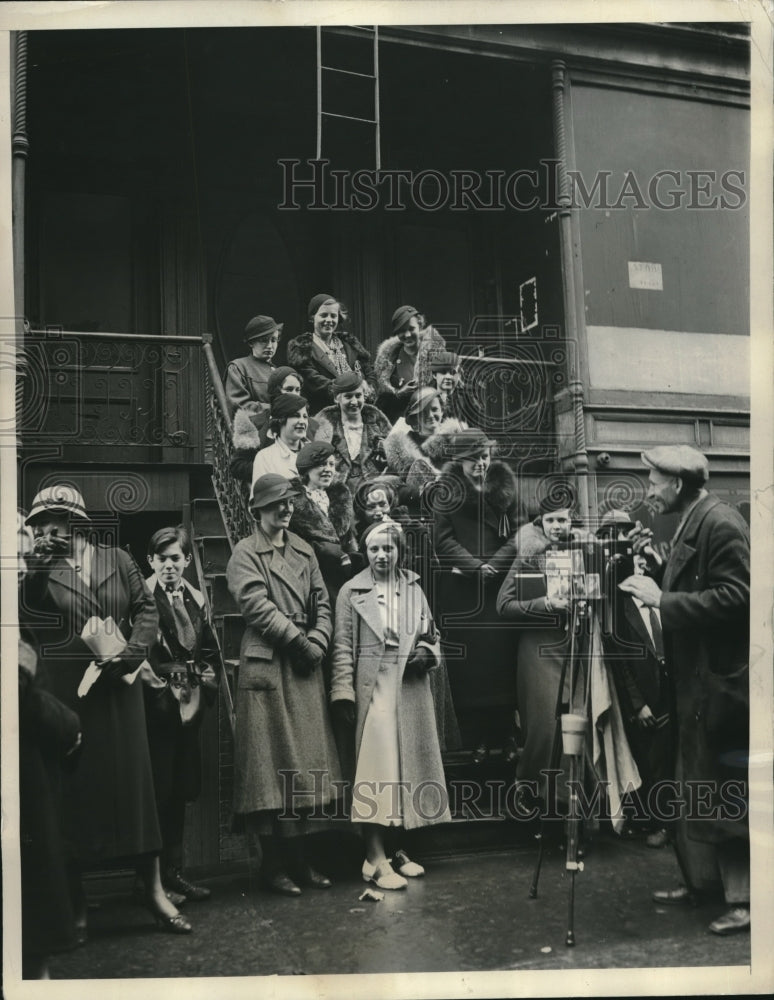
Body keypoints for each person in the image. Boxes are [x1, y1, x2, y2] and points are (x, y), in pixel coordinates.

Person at [20, 485, 190, 936]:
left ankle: (152, 890)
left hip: (122, 686)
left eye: (57, 517)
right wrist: (34, 568)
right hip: (73, 691)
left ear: (77, 520)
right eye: (42, 521)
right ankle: (76, 902)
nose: (49, 527)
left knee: (136, 788)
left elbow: (145, 610)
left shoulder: (118, 558)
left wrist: (132, 654)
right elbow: (31, 617)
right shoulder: (42, 569)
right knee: (76, 795)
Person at [618, 445, 750, 936]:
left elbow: (740, 596)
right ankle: (704, 886)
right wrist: (656, 567)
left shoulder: (719, 523)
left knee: (724, 790)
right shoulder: (697, 517)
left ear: (677, 483)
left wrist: (663, 599)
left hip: (720, 686)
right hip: (697, 685)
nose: (649, 491)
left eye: (653, 482)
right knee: (692, 785)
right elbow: (701, 582)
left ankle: (746, 900)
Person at [226, 474, 342, 896]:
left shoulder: (304, 549)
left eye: (290, 502)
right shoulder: (245, 552)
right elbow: (255, 604)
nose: (286, 509)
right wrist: (297, 641)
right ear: (258, 509)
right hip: (269, 664)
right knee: (270, 771)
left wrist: (319, 640)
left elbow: (322, 603)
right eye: (277, 503)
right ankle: (272, 866)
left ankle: (301, 861)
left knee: (306, 767)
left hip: (303, 665)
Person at [330, 519, 451, 890]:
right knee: (375, 770)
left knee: (404, 768)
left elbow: (432, 633)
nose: (382, 555)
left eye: (389, 548)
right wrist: (343, 694)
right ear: (365, 553)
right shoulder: (351, 592)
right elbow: (341, 648)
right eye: (375, 549)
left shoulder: (413, 588)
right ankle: (374, 855)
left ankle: (398, 848)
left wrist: (427, 654)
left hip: (408, 689)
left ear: (399, 550)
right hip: (374, 689)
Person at [429, 429, 522, 759]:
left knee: (502, 660)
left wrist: (493, 566)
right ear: (460, 461)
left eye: (484, 457)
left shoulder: (504, 484)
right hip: (463, 590)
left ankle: (507, 734)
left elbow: (517, 535)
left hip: (499, 587)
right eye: (473, 459)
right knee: (471, 666)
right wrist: (475, 567)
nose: (481, 464)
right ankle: (476, 738)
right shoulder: (446, 490)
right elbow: (442, 540)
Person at [17, 512, 83, 977]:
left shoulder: (102, 560)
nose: (50, 536)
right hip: (49, 708)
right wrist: (64, 723)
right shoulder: (30, 579)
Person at [143, 526, 220, 903]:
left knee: (180, 790)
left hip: (189, 706)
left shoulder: (195, 597)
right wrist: (161, 692)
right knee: (158, 792)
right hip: (156, 708)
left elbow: (206, 650)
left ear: (187, 561)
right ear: (151, 561)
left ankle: (174, 876)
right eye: (162, 559)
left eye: (176, 558)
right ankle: (151, 883)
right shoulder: (142, 597)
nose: (169, 565)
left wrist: (204, 682)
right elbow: (138, 654)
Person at [496, 497, 581, 810]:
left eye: (563, 520)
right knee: (545, 728)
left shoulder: (582, 553)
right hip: (538, 651)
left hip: (575, 649)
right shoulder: (528, 554)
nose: (557, 527)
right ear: (540, 524)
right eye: (551, 521)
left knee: (574, 729)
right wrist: (543, 604)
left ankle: (565, 809)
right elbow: (502, 606)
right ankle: (529, 788)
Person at [597, 510, 673, 847]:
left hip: (670, 691)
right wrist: (637, 703)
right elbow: (619, 658)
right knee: (648, 760)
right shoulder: (617, 602)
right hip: (642, 696)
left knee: (671, 759)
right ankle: (654, 822)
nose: (638, 561)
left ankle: (674, 824)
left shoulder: (663, 592)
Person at [289, 440, 357, 608]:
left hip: (341, 573)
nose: (328, 470)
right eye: (321, 464)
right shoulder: (292, 500)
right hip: (309, 575)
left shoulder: (340, 498)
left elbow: (349, 539)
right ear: (307, 468)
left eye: (332, 465)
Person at [287, 293, 376, 413]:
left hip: (358, 412)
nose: (329, 320)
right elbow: (314, 381)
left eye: (333, 316)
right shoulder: (303, 349)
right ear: (313, 317)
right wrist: (352, 388)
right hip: (325, 414)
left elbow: (369, 372)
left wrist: (369, 388)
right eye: (323, 315)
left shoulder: (350, 344)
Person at [230, 367, 320, 483]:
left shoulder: (311, 425)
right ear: (275, 392)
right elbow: (238, 466)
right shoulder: (256, 423)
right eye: (289, 389)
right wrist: (274, 471)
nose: (294, 395)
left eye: (297, 390)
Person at [313, 371, 392, 495]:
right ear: (336, 398)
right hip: (337, 491)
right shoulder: (325, 425)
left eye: (358, 396)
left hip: (374, 487)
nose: (354, 402)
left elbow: (395, 455)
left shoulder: (377, 421)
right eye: (348, 396)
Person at [373, 305, 447, 423]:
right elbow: (383, 397)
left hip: (430, 420)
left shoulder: (436, 355)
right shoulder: (390, 357)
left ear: (420, 326)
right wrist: (398, 393)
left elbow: (446, 392)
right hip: (398, 422)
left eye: (411, 329)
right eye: (401, 331)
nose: (407, 335)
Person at [224, 315, 282, 418]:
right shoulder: (238, 367)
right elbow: (238, 405)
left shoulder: (278, 372)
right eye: (264, 340)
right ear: (251, 342)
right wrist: (275, 408)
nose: (269, 346)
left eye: (273, 340)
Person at [382, 387, 446, 481]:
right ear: (416, 417)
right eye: (423, 412)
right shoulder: (404, 446)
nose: (430, 415)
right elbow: (393, 482)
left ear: (442, 411)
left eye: (435, 409)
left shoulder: (454, 439)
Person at [251, 394, 310, 486]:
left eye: (305, 416)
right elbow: (262, 497)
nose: (302, 421)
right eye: (296, 416)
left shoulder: (315, 453)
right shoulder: (265, 457)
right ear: (281, 419)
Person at [424, 350, 466, 422]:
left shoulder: (467, 400)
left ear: (459, 375)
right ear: (434, 375)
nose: (448, 377)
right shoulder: (424, 398)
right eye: (443, 372)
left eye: (453, 373)